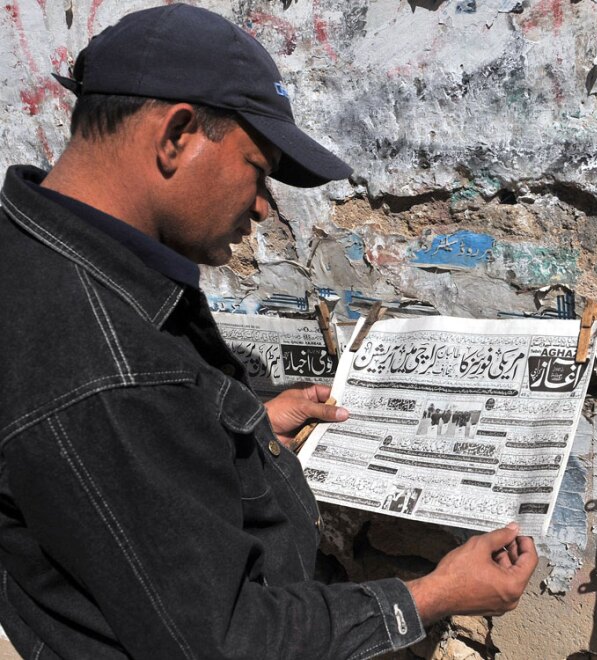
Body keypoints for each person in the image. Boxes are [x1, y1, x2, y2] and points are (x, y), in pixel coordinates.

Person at [0, 5, 538, 659]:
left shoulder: (33, 250)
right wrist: (433, 595)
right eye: (257, 167)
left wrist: (236, 422)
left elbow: (112, 468)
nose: (262, 204)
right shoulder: (111, 368)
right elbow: (228, 641)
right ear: (176, 136)